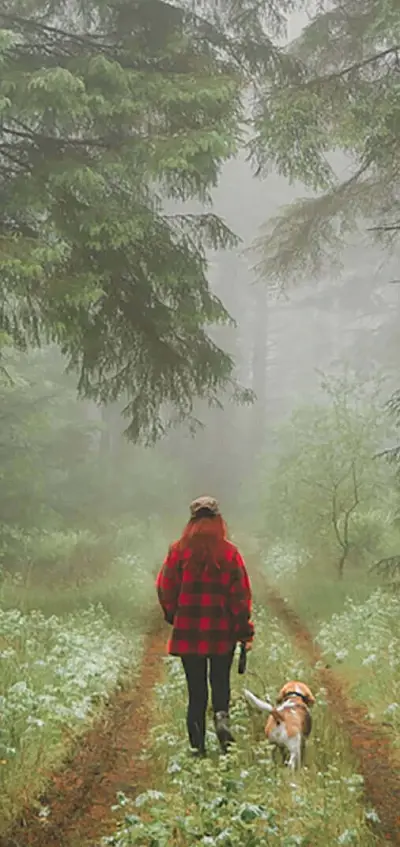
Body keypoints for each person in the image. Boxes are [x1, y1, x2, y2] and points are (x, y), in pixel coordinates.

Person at [156, 495, 254, 756]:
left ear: (191, 521)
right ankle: (222, 722)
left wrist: (174, 616)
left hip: (189, 635)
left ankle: (198, 750)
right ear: (218, 519)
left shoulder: (178, 551)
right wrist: (244, 630)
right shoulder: (230, 553)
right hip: (222, 634)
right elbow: (241, 597)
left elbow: (165, 589)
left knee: (196, 693)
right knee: (220, 685)